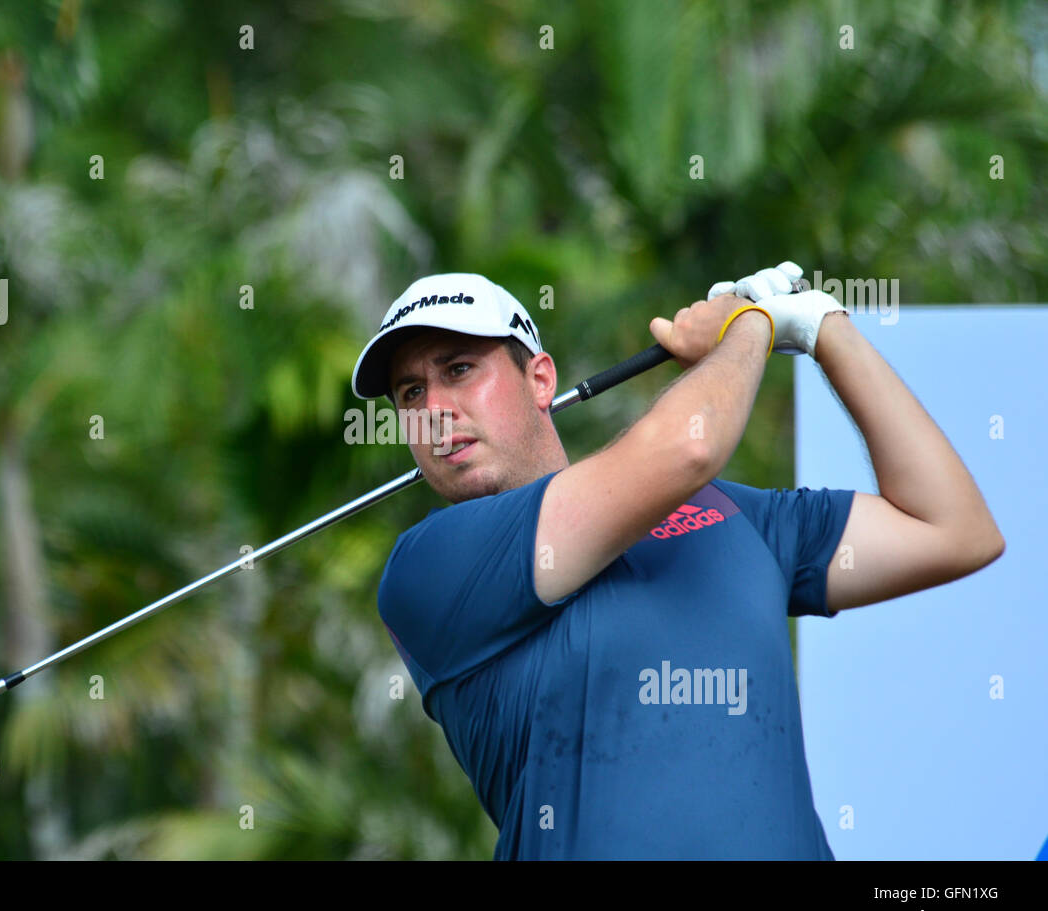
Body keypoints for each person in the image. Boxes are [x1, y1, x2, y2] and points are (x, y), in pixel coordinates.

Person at [350, 268, 1005, 860]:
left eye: (458, 369)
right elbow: (688, 449)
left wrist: (822, 325)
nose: (434, 411)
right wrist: (749, 322)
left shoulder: (733, 514)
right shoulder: (428, 569)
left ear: (541, 379)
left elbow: (954, 529)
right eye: (410, 393)